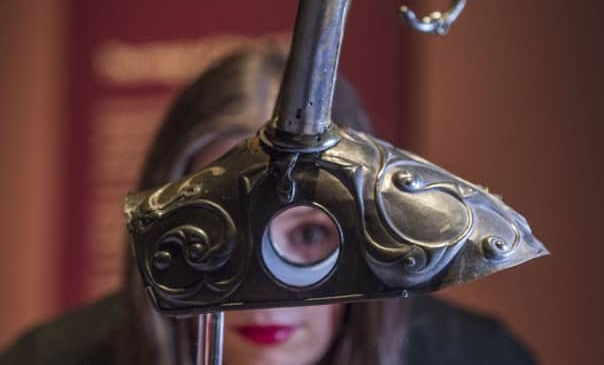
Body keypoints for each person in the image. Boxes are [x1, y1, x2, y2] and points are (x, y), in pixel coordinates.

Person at [0, 43, 537, 365]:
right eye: (220, 231)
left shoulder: (475, 358)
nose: (265, 298)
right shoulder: (51, 361)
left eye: (309, 234)